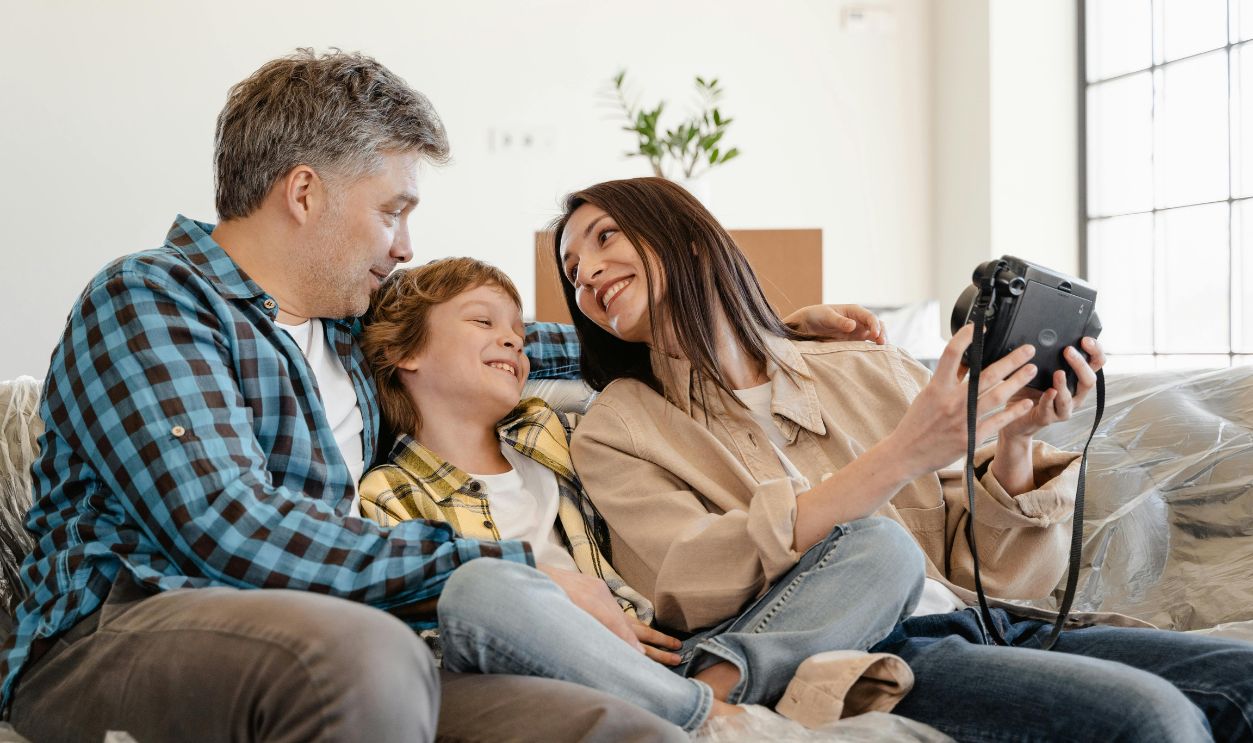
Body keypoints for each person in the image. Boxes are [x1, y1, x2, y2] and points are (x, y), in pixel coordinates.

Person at [2, 51, 888, 741]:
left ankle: (712, 714)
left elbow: (523, 345)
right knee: (364, 650)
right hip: (119, 635)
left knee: (604, 724)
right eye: (393, 209)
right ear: (304, 191)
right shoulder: (153, 300)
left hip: (355, 639)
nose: (404, 244)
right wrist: (506, 563)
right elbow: (229, 528)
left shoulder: (354, 332)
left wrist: (751, 321)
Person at [554, 176, 1253, 742]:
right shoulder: (617, 426)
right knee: (1149, 719)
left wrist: (1012, 436)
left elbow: (1004, 571)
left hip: (995, 624)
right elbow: (685, 580)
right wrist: (900, 454)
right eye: (571, 270)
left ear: (686, 232)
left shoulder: (864, 363)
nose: (585, 273)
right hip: (875, 654)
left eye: (603, 236)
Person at [355, 257, 926, 738]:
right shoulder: (388, 491)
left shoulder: (562, 433)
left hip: (673, 650)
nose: (511, 339)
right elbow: (431, 630)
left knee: (883, 546)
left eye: (519, 334)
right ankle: (716, 717)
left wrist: (768, 329)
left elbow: (618, 347)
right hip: (550, 662)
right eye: (483, 321)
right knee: (479, 588)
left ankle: (714, 696)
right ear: (404, 352)